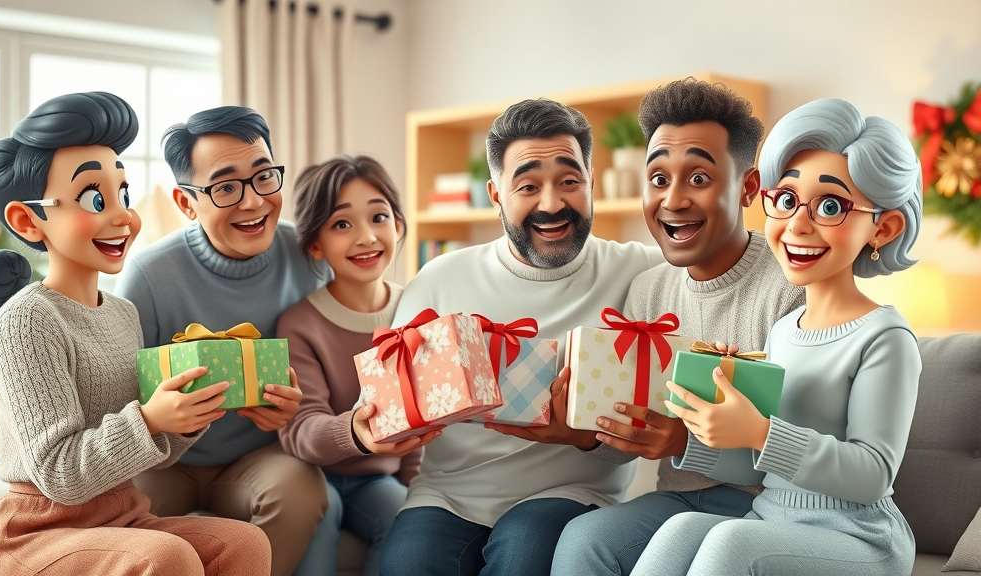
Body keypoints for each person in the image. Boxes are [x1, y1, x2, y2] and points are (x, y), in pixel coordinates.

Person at [0, 91, 271, 576]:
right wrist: (150, 419)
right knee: (168, 557)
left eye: (123, 194)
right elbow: (60, 474)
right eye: (96, 198)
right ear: (28, 220)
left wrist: (191, 414)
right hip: (37, 532)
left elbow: (146, 451)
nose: (122, 216)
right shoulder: (26, 321)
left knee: (243, 543)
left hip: (122, 515)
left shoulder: (123, 313)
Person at [372, 98, 664, 576]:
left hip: (572, 492)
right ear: (495, 193)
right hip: (448, 494)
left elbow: (719, 269)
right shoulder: (440, 279)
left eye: (570, 181)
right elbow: (393, 403)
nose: (552, 204)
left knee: (525, 549)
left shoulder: (643, 272)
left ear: (591, 182)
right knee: (408, 564)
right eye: (528, 186)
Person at [633, 97, 922, 576]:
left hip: (859, 537)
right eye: (786, 199)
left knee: (729, 543)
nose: (797, 224)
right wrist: (700, 433)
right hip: (774, 517)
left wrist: (761, 430)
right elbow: (759, 467)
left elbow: (872, 475)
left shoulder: (885, 337)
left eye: (830, 205)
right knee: (678, 529)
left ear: (883, 228)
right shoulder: (785, 331)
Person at [552, 78, 805, 576]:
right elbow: (624, 447)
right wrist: (583, 432)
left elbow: (803, 449)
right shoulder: (648, 290)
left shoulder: (789, 288)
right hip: (678, 500)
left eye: (698, 178)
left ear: (748, 188)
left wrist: (685, 443)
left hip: (773, 507)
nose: (673, 200)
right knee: (584, 540)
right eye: (659, 179)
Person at [114, 106, 331, 576]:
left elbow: (336, 367)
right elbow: (114, 389)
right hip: (163, 459)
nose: (253, 202)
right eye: (226, 187)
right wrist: (162, 416)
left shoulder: (310, 260)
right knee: (112, 514)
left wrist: (297, 411)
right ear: (186, 202)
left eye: (264, 177)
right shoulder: (149, 275)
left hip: (258, 456)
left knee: (301, 490)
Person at [277, 154, 430, 576]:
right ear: (316, 244)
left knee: (407, 515)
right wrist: (358, 433)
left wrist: (417, 487)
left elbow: (427, 419)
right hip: (311, 474)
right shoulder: (299, 323)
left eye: (379, 217)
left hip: (378, 479)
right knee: (318, 518)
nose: (366, 237)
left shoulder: (417, 312)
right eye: (342, 224)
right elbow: (302, 427)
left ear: (398, 225)